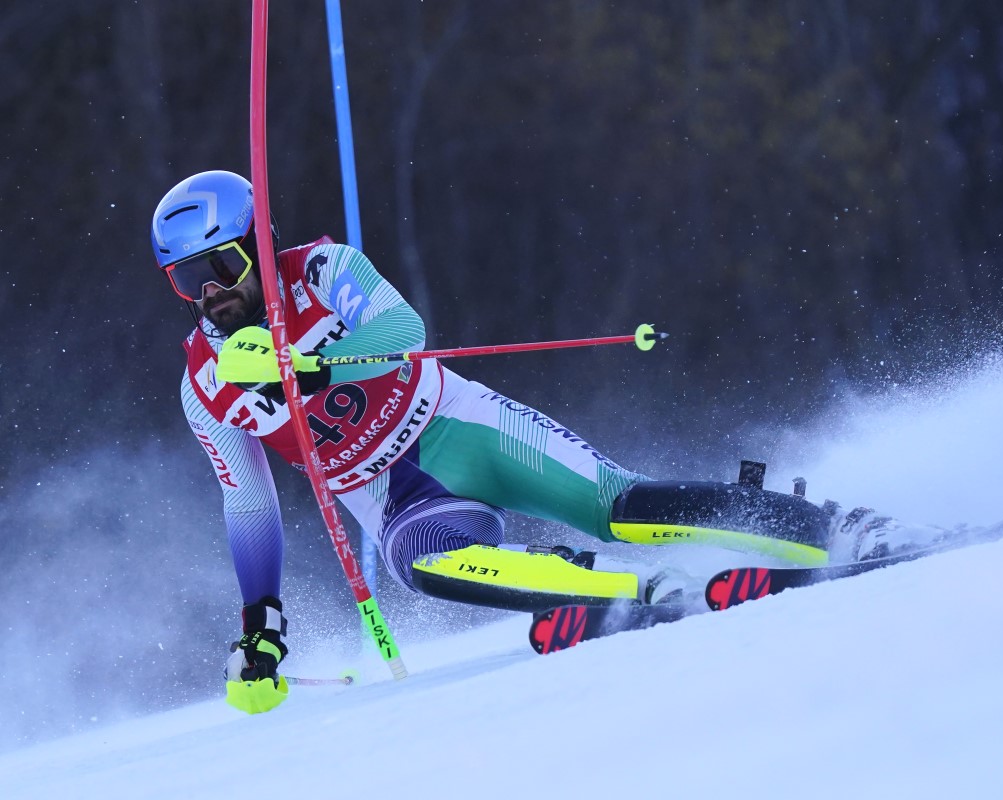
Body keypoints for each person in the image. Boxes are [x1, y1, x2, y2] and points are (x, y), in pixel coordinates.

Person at [151, 170, 943, 713]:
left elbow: (403, 330)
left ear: (259, 243)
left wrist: (314, 367)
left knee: (620, 506)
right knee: (426, 566)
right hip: (396, 496)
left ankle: (837, 527)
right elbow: (247, 502)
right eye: (190, 281)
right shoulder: (203, 386)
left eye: (222, 264)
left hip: (458, 426)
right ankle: (624, 594)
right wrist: (262, 622)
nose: (212, 293)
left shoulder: (322, 269)